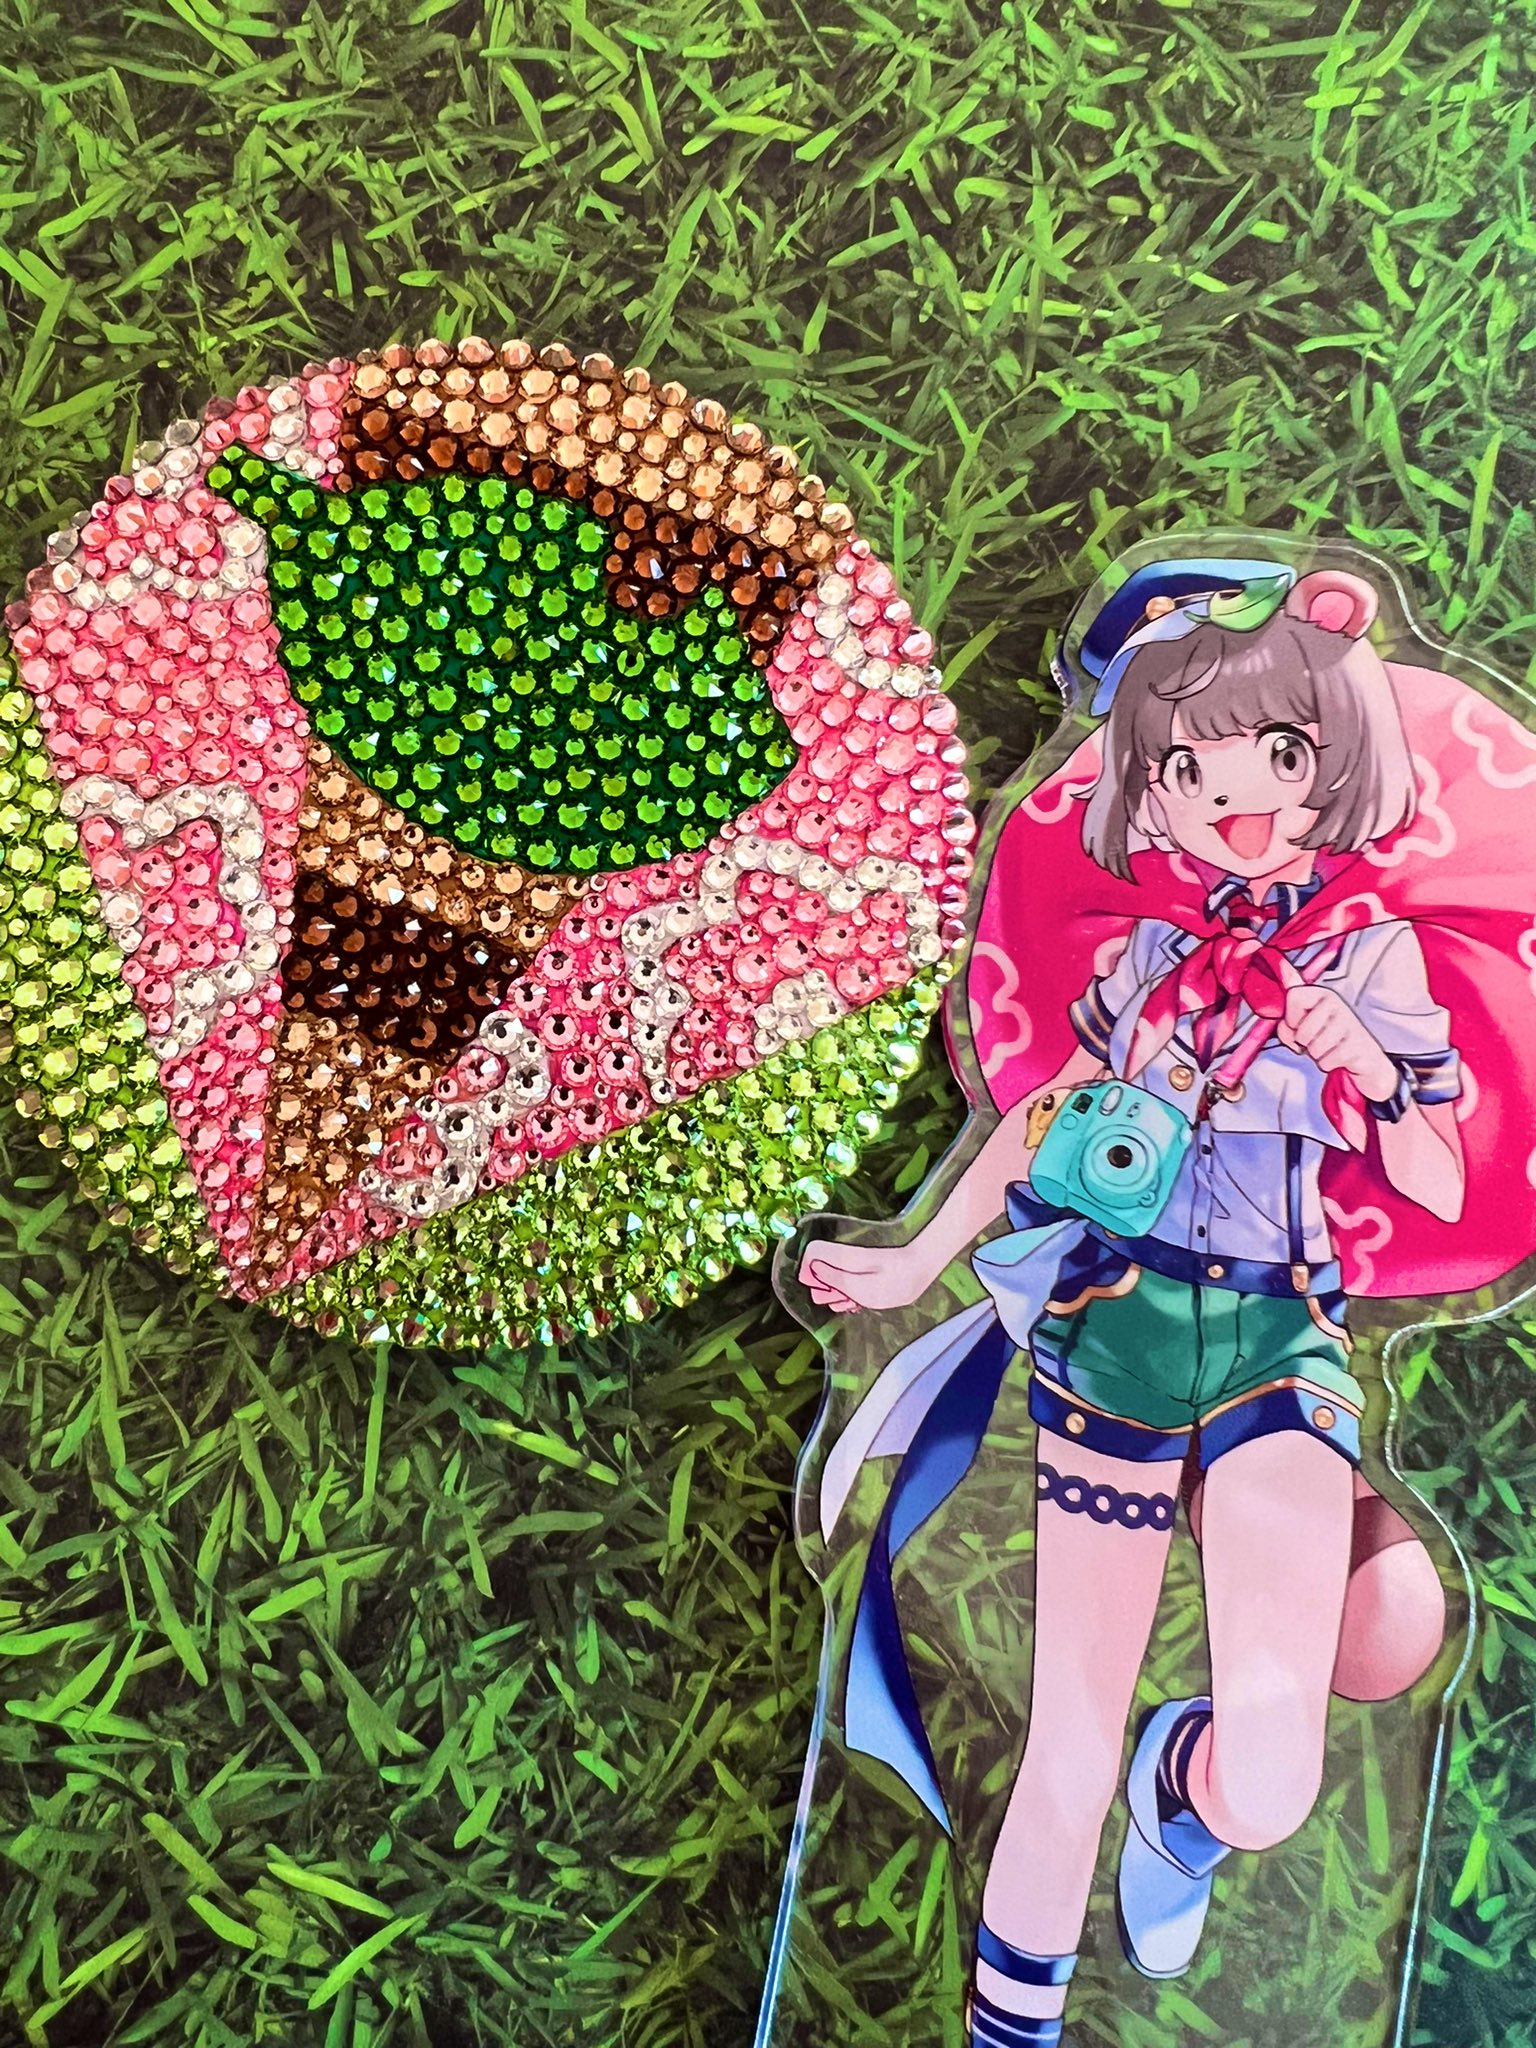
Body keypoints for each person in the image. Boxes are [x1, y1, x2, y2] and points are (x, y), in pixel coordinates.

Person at [795, 556, 1536, 2046]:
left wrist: (1368, 1064)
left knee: (1269, 1782)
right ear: (1150, 792)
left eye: (1279, 751)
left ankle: (1182, 1793)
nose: (1234, 792)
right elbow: (1042, 1123)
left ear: (1336, 757)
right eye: (1186, 766)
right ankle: (1010, 2022)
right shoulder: (1145, 963)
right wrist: (913, 1262)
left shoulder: (1373, 960)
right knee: (1064, 1738)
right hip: (1114, 1339)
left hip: (1275, 1340)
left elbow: (1441, 1183)